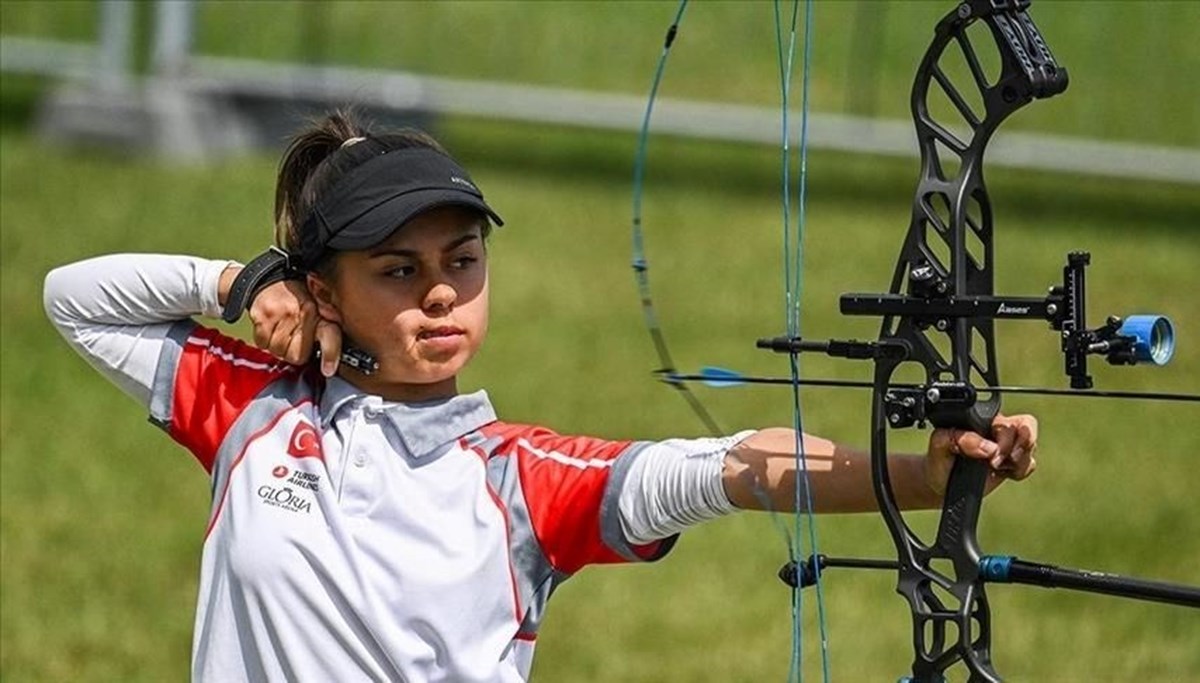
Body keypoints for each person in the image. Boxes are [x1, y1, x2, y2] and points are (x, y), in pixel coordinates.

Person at [43, 111, 1037, 682]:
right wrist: (235, 283)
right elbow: (75, 301)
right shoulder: (255, 409)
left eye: (462, 260)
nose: (440, 291)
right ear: (322, 289)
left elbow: (728, 465)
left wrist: (918, 472)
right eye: (397, 269)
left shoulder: (520, 480)